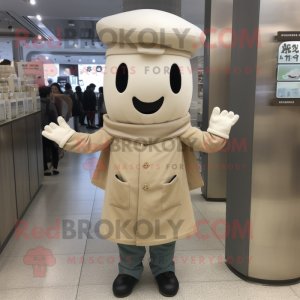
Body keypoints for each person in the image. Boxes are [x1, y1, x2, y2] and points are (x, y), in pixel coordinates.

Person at [42, 9, 240, 299]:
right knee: (127, 237)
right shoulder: (114, 127)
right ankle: (128, 271)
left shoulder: (179, 127)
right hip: (126, 193)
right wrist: (69, 139)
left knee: (165, 236)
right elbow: (91, 143)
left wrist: (219, 133)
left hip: (167, 194)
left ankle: (164, 269)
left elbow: (206, 144)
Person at [39, 86, 60, 176]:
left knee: (42, 150)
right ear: (48, 95)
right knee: (55, 149)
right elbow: (56, 118)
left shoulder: (36, 105)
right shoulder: (51, 104)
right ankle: (55, 168)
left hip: (40, 131)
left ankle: (45, 169)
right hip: (51, 131)